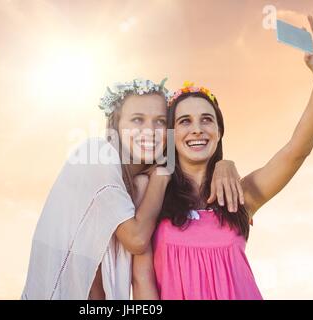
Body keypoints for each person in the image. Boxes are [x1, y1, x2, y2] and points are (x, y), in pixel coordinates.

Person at [132, 14, 313, 300]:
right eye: (185, 122)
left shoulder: (240, 195)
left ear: (219, 131)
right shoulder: (154, 193)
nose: (197, 129)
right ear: (170, 135)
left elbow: (296, 152)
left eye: (206, 120)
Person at [21, 79, 243, 300]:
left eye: (160, 121)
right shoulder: (97, 155)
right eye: (137, 120)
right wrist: (161, 176)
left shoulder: (142, 183)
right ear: (116, 126)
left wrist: (223, 164)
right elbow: (136, 239)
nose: (150, 130)